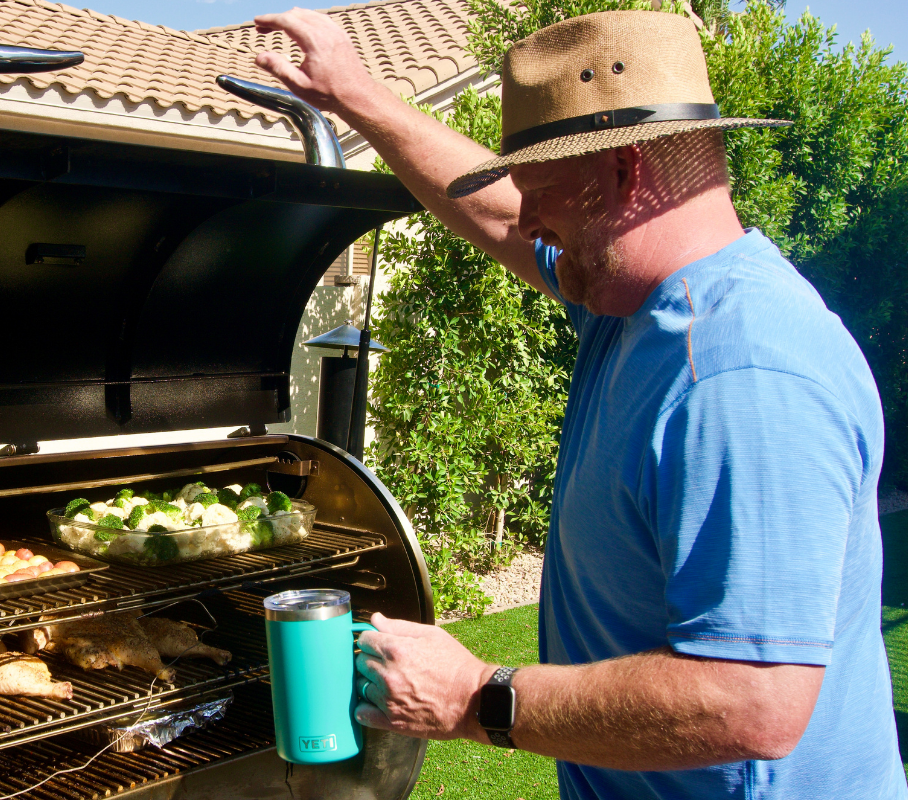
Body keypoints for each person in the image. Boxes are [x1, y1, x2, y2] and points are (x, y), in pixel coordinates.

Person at [251, 8, 906, 799]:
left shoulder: (741, 377)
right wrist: (358, 95)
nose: (526, 219)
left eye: (541, 191)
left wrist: (476, 697)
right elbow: (493, 215)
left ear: (625, 172)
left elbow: (754, 703)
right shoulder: (634, 305)